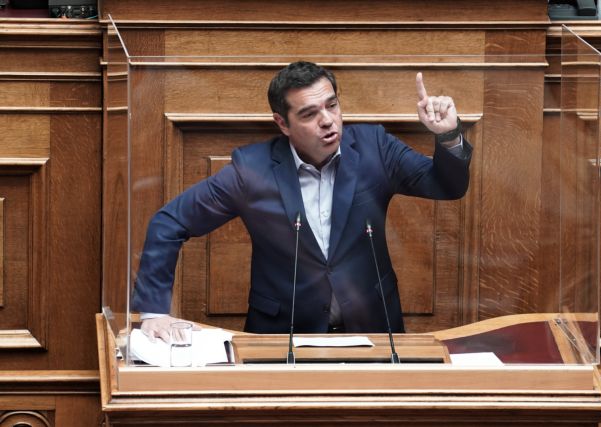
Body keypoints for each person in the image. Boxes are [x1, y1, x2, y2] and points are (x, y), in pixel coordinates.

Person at [133, 61, 472, 343]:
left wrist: (448, 135)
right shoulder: (252, 170)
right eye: (309, 114)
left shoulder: (375, 148)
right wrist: (154, 312)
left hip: (373, 334)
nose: (327, 120)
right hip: (282, 340)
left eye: (332, 105)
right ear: (283, 123)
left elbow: (447, 186)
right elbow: (170, 222)